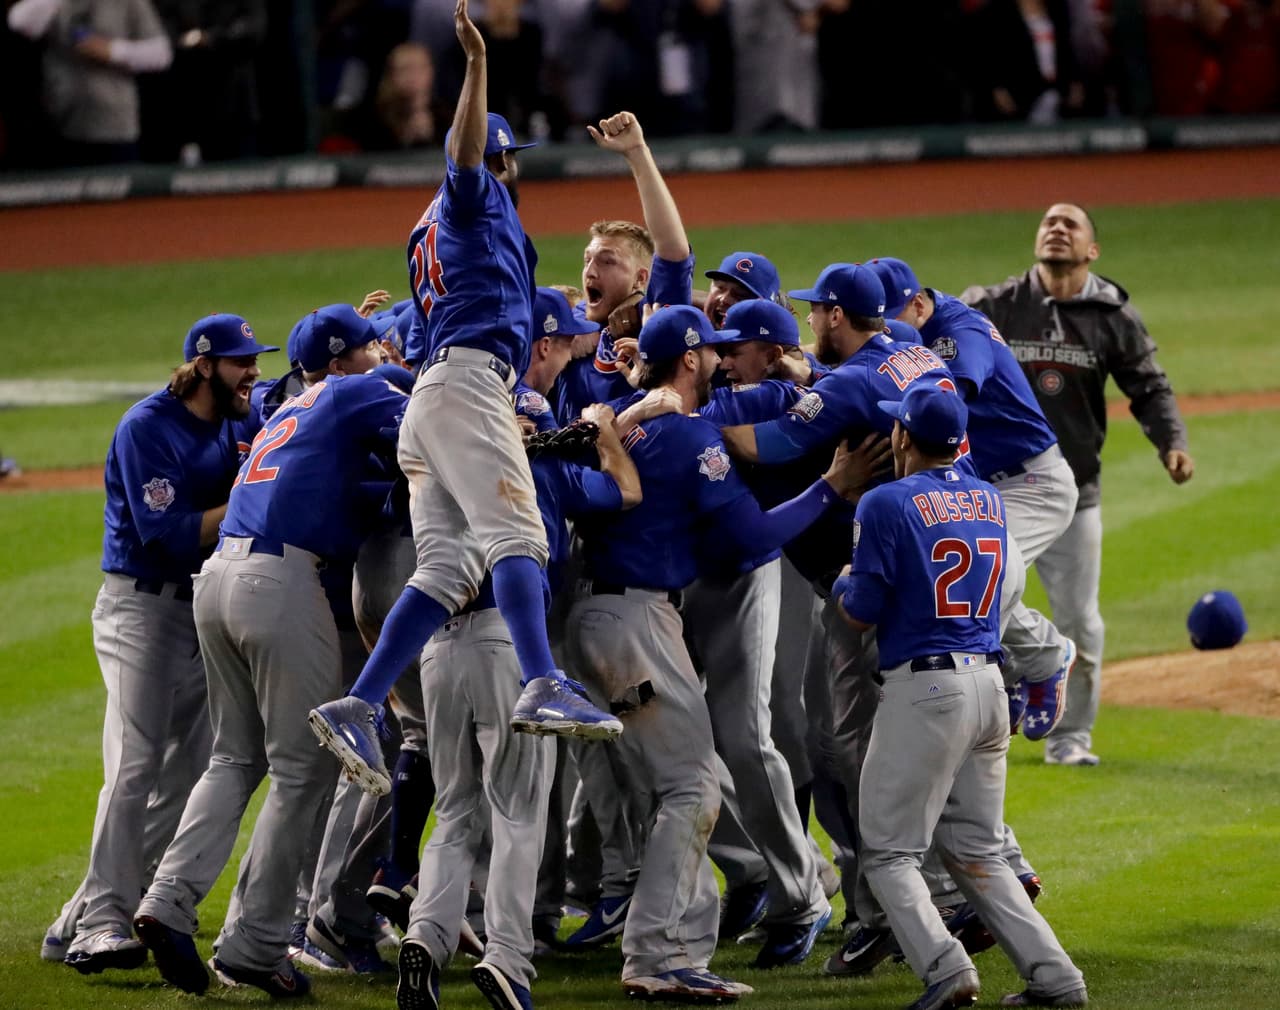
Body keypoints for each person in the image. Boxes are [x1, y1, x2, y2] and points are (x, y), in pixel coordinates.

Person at [308, 0, 622, 804]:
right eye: (511, 162)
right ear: (500, 161)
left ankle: (358, 702)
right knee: (519, 535)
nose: (515, 176)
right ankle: (544, 678)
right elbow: (462, 152)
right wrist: (476, 67)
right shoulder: (470, 198)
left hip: (438, 396)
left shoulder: (448, 234)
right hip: (469, 386)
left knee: (447, 566)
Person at [563, 305, 873, 1003]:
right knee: (692, 785)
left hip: (593, 624)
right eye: (711, 352)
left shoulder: (623, 420)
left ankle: (671, 941)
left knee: (673, 780)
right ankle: (658, 954)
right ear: (694, 359)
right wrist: (830, 487)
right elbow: (750, 542)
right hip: (633, 626)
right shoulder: (683, 438)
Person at [399, 290, 642, 1010]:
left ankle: (425, 937)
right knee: (516, 811)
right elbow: (626, 492)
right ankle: (506, 959)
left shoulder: (449, 460)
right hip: (511, 648)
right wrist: (599, 436)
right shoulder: (551, 472)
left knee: (455, 810)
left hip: (440, 648)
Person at [834, 382, 1088, 1010]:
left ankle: (946, 969)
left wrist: (845, 583)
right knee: (981, 851)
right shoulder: (991, 501)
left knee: (890, 853)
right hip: (990, 690)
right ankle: (1055, 978)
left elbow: (862, 613)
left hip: (926, 693)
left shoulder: (885, 502)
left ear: (902, 437)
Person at [43, 314, 274, 974]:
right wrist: (244, 505)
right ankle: (102, 925)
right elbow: (165, 535)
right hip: (139, 611)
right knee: (136, 763)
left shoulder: (238, 417)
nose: (250, 371)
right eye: (239, 362)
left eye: (253, 360)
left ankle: (89, 912)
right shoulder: (149, 428)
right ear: (203, 366)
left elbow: (281, 418)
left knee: (192, 767)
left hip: (202, 608)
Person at [961, 202, 1195, 766]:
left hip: (1073, 491)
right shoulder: (994, 306)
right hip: (987, 488)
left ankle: (1071, 737)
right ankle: (1014, 689)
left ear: (1091, 251)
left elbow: (1149, 385)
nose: (1057, 228)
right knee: (985, 589)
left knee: (1079, 617)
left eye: (1071, 224)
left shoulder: (1111, 313)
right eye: (1048, 221)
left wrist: (1172, 442)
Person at [6, 0, 172, 165]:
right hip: (60, 125)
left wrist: (111, 51)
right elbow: (19, 22)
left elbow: (161, 54)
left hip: (114, 127)